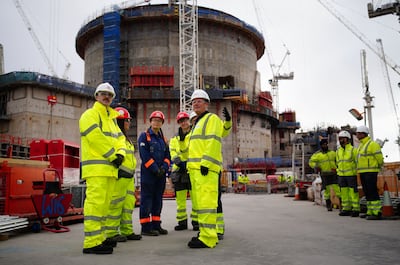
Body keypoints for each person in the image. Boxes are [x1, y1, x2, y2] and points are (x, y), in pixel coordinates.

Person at [79, 82, 126, 254]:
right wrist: (114, 155)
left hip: (110, 170)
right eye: (103, 94)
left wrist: (121, 154)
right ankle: (91, 242)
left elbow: (121, 139)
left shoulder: (112, 120)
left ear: (112, 99)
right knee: (96, 204)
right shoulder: (89, 115)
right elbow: (95, 138)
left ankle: (100, 237)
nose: (106, 97)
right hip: (97, 169)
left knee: (105, 206)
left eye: (109, 95)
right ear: (96, 96)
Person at [187, 89, 224, 248]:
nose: (195, 103)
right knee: (201, 204)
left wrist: (206, 163)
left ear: (207, 103)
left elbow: (213, 141)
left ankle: (208, 238)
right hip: (196, 169)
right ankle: (204, 233)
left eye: (199, 101)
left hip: (205, 169)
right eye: (193, 102)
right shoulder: (198, 122)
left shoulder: (211, 119)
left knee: (207, 202)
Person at [105, 107, 142, 242]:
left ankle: (127, 230)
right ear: (121, 122)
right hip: (120, 177)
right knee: (115, 204)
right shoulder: (115, 137)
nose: (129, 124)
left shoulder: (125, 139)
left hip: (128, 178)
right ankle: (111, 233)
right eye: (127, 121)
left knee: (127, 205)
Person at [138, 110, 171, 235]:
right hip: (149, 175)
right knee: (147, 199)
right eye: (154, 120)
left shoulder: (163, 140)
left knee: (158, 200)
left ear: (162, 123)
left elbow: (168, 155)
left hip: (160, 175)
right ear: (150, 122)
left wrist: (164, 168)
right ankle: (146, 227)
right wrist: (156, 169)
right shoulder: (144, 136)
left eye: (159, 120)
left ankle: (156, 225)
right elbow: (144, 155)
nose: (156, 122)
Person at [169, 111, 194, 231]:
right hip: (179, 171)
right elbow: (173, 151)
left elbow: (196, 150)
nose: (183, 123)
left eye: (185, 120)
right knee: (180, 199)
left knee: (195, 198)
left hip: (192, 169)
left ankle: (196, 221)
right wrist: (179, 162)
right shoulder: (174, 138)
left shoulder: (195, 135)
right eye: (181, 121)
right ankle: (182, 222)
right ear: (179, 123)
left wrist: (188, 163)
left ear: (188, 121)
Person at [355, 125, 384, 220]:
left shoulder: (372, 144)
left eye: (358, 133)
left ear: (363, 134)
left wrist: (379, 166)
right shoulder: (361, 145)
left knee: (372, 191)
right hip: (363, 172)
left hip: (371, 172)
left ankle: (376, 212)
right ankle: (370, 211)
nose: (357, 135)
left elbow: (379, 157)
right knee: (367, 192)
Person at [309, 138, 340, 211]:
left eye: (326, 144)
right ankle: (328, 205)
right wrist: (316, 167)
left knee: (337, 189)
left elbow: (338, 161)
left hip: (333, 174)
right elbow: (311, 162)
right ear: (321, 145)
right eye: (323, 144)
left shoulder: (332, 153)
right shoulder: (317, 154)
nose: (325, 146)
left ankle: (341, 205)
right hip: (325, 174)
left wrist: (337, 168)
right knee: (326, 191)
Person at [336, 130, 360, 217]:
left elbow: (357, 162)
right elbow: (337, 163)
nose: (341, 140)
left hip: (351, 175)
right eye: (340, 138)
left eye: (343, 138)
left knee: (353, 192)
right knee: (344, 192)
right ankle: (346, 208)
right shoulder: (338, 151)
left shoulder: (353, 150)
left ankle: (355, 209)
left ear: (347, 139)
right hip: (341, 176)